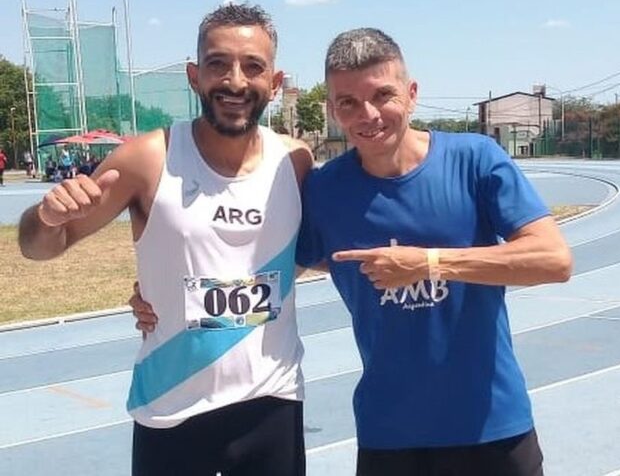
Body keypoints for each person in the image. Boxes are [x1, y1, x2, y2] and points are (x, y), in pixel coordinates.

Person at [133, 27, 573, 475]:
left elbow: (553, 260)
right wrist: (161, 293)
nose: (368, 114)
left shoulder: (475, 159)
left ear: (412, 93)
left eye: (383, 95)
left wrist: (428, 264)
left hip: (492, 428)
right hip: (388, 435)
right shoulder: (324, 189)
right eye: (347, 102)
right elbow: (271, 266)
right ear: (332, 110)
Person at [18, 3, 312, 476]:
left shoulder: (294, 162)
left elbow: (308, 256)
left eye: (253, 66)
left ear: (274, 84)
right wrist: (47, 218)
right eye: (218, 63)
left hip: (271, 403)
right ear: (194, 75)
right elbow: (38, 247)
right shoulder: (146, 159)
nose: (234, 81)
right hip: (171, 407)